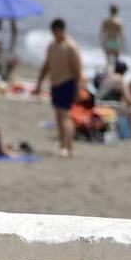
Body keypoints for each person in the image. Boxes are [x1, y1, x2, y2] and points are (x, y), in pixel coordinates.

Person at [34, 18, 83, 157]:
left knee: (65, 115)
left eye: (56, 32)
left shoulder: (71, 46)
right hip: (55, 84)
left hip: (67, 83)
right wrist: (39, 83)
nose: (54, 34)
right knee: (58, 116)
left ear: (61, 30)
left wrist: (78, 89)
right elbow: (46, 65)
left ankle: (67, 147)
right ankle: (63, 145)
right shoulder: (52, 46)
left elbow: (77, 71)